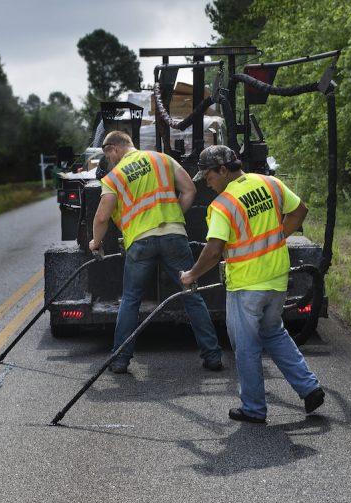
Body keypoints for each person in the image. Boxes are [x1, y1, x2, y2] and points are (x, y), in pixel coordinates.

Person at [180, 145, 324, 422]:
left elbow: (213, 250)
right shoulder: (270, 183)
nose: (207, 183)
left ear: (223, 170)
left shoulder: (223, 205)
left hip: (247, 284)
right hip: (277, 277)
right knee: (273, 332)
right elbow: (300, 210)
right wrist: (276, 238)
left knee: (246, 346)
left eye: (208, 176)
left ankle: (254, 409)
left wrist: (191, 276)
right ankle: (309, 388)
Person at [90, 131, 223, 374]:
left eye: (107, 154)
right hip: (174, 237)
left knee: (130, 300)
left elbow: (101, 216)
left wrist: (95, 242)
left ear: (114, 149)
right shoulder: (162, 159)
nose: (108, 159)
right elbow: (190, 190)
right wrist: (174, 218)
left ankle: (120, 360)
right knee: (191, 295)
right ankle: (212, 356)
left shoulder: (114, 177)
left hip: (140, 242)